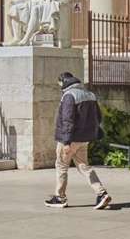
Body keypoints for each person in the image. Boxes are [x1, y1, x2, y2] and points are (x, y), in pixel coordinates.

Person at [46, 71, 118, 210]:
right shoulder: (90, 94)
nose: (60, 86)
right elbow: (98, 117)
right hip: (84, 139)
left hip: (70, 139)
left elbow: (67, 120)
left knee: (61, 166)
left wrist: (66, 142)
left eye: (59, 83)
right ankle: (102, 193)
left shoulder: (69, 96)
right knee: (84, 166)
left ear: (63, 81)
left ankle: (60, 198)